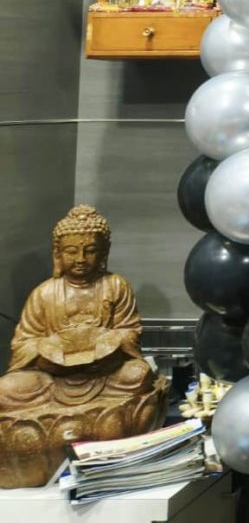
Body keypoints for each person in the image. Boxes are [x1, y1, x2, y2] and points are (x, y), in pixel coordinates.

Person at [0, 205, 167, 488]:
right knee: (5, 390)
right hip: (52, 380)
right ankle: (82, 428)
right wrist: (52, 347)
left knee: (138, 374)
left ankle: (93, 425)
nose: (80, 259)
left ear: (103, 253)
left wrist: (102, 342)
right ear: (58, 254)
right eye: (71, 251)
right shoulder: (45, 293)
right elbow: (22, 344)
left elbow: (130, 332)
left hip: (104, 376)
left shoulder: (115, 286)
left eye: (90, 251)